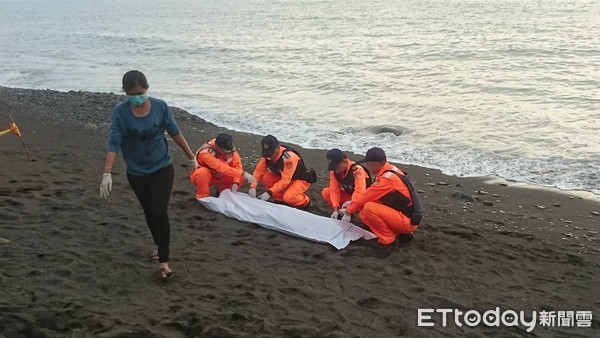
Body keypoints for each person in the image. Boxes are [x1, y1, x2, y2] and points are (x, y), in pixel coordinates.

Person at [99, 70, 198, 279]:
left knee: (159, 211)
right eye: (133, 94)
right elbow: (114, 141)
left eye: (141, 92)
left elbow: (175, 132)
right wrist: (107, 173)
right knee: (149, 213)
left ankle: (164, 261)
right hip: (137, 173)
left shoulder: (160, 107)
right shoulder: (120, 112)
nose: (138, 96)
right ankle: (159, 246)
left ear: (147, 89)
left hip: (162, 167)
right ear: (125, 93)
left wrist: (191, 157)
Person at [340, 147, 423, 257]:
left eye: (368, 164)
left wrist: (348, 211)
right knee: (365, 211)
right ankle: (401, 233)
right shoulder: (392, 170)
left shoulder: (386, 179)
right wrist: (352, 203)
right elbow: (372, 196)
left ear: (374, 164)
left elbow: (366, 197)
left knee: (369, 208)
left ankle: (388, 240)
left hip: (407, 221)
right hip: (409, 217)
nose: (367, 167)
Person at [248, 134, 314, 209]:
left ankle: (306, 201)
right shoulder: (267, 156)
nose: (269, 157)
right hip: (283, 176)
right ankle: (280, 199)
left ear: (278, 148)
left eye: (271, 153)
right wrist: (252, 186)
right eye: (267, 153)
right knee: (265, 177)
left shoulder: (288, 158)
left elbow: (285, 181)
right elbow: (258, 171)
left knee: (289, 197)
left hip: (299, 180)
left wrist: (269, 192)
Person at [189, 132, 254, 199]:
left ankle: (222, 194)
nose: (227, 153)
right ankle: (202, 197)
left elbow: (237, 164)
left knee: (240, 177)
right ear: (217, 146)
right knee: (203, 173)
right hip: (202, 176)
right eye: (225, 151)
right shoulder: (205, 153)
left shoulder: (228, 146)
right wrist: (243, 173)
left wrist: (236, 182)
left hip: (218, 175)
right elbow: (221, 167)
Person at [322, 148, 371, 220]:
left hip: (364, 199)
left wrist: (349, 210)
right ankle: (339, 212)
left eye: (337, 167)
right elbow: (334, 190)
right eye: (333, 167)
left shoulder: (356, 170)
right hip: (350, 196)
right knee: (326, 192)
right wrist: (335, 209)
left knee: (367, 208)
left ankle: (348, 212)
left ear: (344, 161)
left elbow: (360, 192)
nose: (336, 170)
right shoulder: (334, 171)